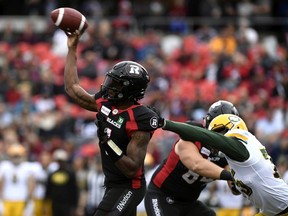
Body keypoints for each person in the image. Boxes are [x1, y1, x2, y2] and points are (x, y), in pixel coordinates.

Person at [64, 31, 159, 216]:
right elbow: (72, 88)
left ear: (128, 89)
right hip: (112, 183)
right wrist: (72, 48)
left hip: (130, 186)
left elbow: (132, 169)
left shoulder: (141, 117)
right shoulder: (106, 103)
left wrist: (109, 143)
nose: (109, 85)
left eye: (116, 83)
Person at [155, 113, 288, 216]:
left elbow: (205, 137)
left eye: (218, 133)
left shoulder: (240, 144)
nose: (214, 142)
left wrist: (166, 123)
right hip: (272, 211)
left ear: (228, 128)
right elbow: (237, 189)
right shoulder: (240, 157)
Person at [144, 100, 239, 216]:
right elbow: (196, 164)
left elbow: (235, 190)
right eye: (223, 129)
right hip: (162, 196)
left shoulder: (227, 152)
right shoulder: (192, 135)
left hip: (189, 203)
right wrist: (230, 176)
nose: (225, 134)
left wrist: (240, 181)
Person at [0, 144, 35, 216]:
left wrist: (30, 200)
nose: (16, 158)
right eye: (14, 156)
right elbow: (1, 183)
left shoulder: (27, 167)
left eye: (18, 156)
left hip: (21, 199)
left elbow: (31, 184)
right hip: (7, 199)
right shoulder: (5, 166)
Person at [45, 149, 79, 216]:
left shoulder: (70, 174)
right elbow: (48, 189)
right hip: (55, 203)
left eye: (62, 161)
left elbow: (74, 190)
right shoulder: (53, 174)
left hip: (67, 204)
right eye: (59, 161)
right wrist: (46, 203)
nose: (61, 163)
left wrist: (74, 205)